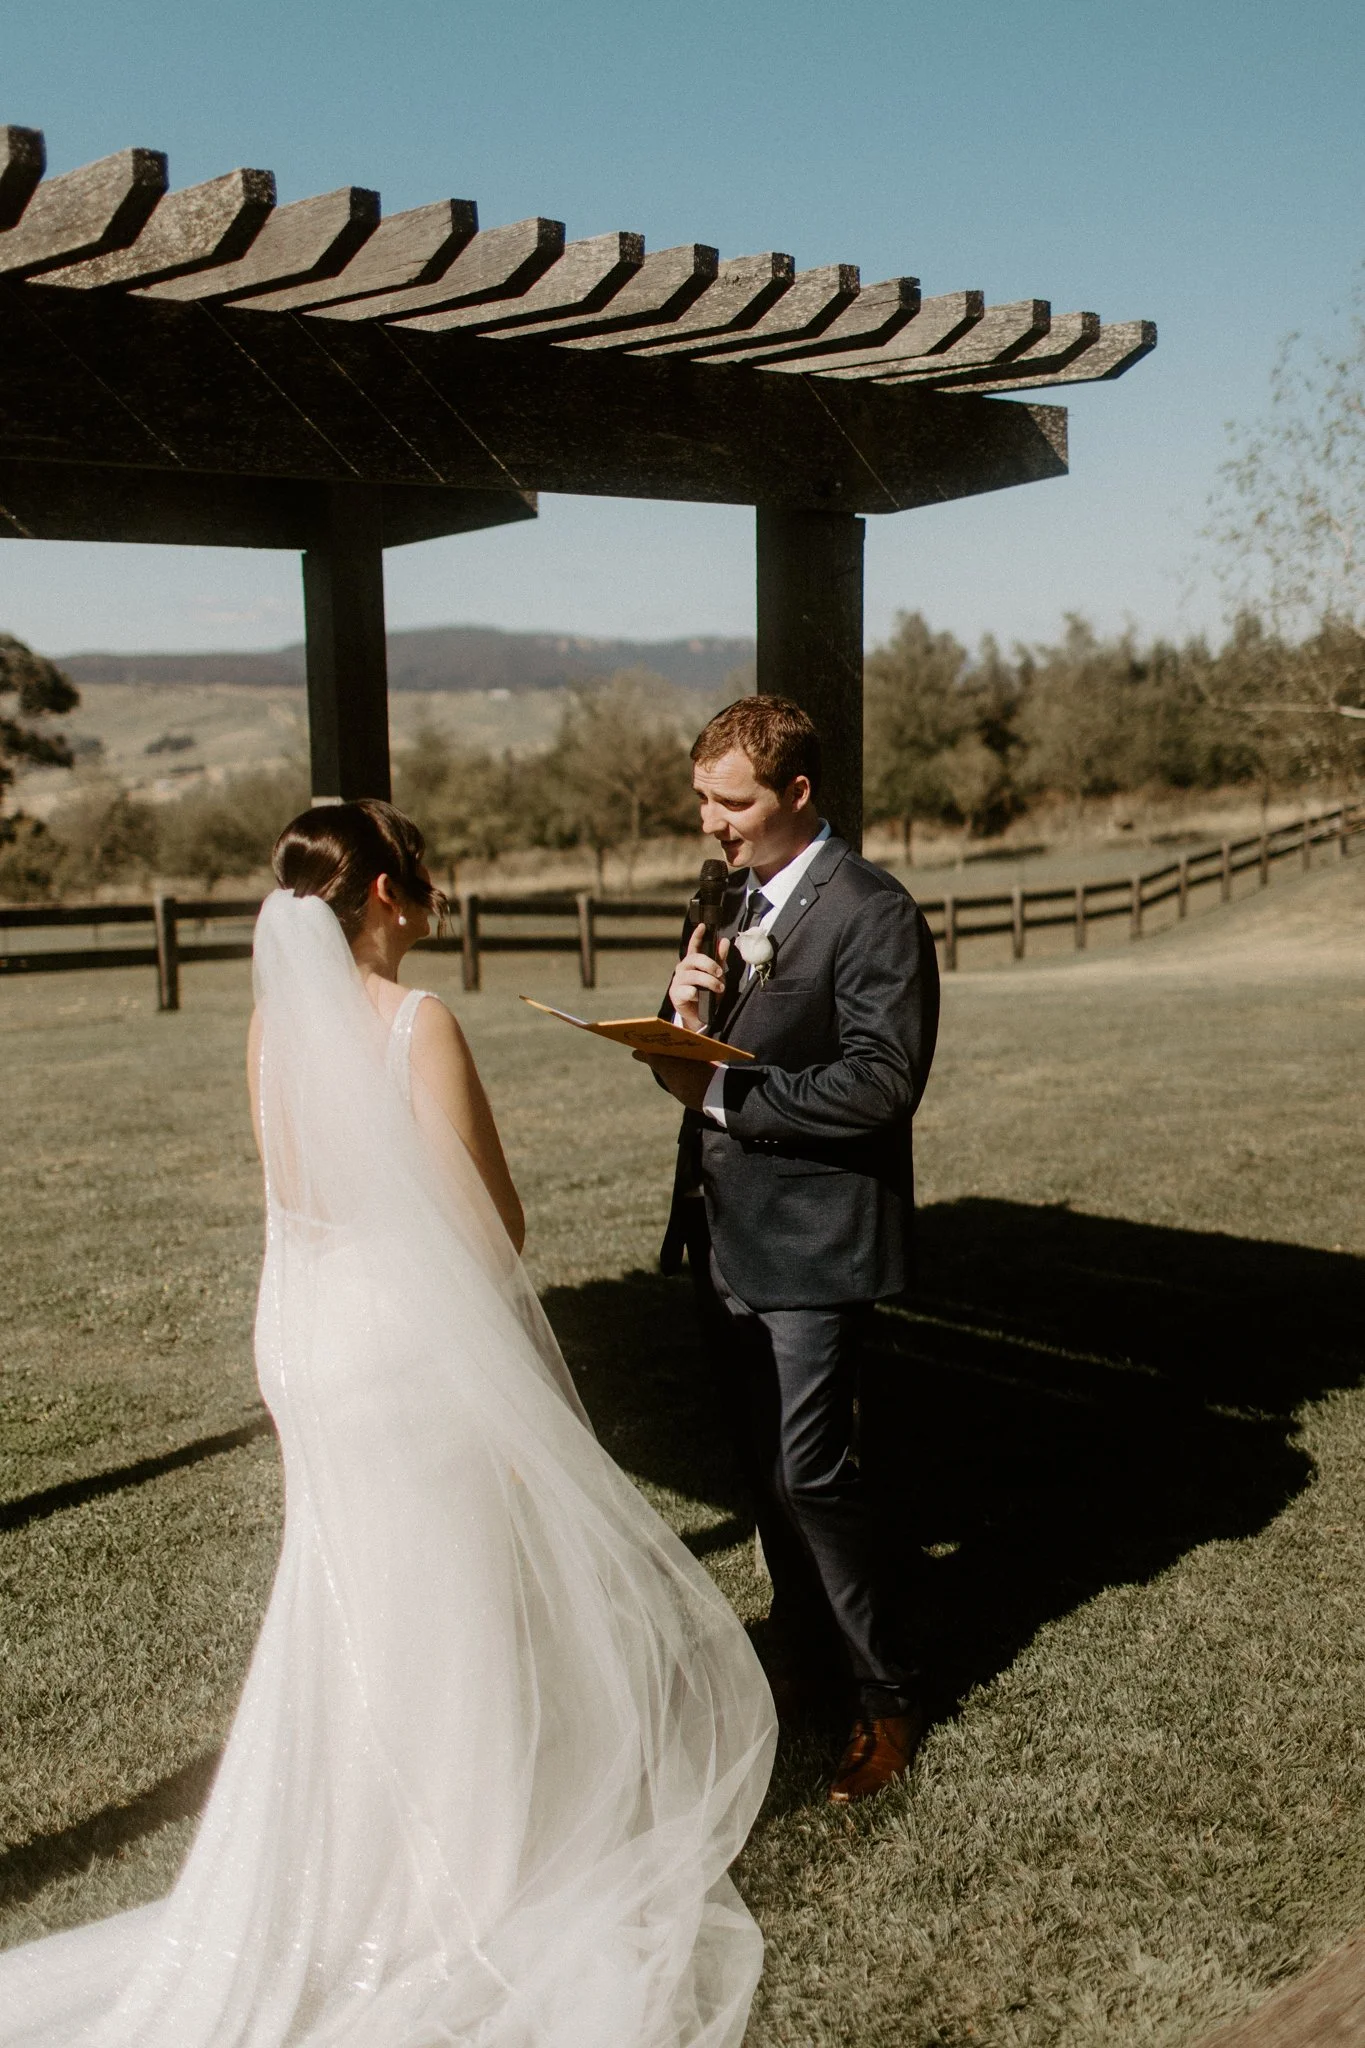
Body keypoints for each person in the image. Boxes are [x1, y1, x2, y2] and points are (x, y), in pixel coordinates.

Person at [0, 799, 775, 2048]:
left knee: (353, 1593)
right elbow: (492, 1228)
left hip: (306, 1338)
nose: (431, 897)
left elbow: (296, 1196)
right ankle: (460, 1880)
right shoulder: (420, 1021)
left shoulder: (272, 1030)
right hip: (400, 1348)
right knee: (450, 1593)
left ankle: (346, 1869)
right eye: (419, 879)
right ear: (380, 898)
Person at [640, 698, 939, 1806]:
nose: (712, 823)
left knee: (816, 1472)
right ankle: (807, 1655)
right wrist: (676, 1008)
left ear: (797, 793)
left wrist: (728, 1092)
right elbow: (693, 1052)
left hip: (816, 1244)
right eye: (704, 800)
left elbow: (880, 1081)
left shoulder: (872, 912)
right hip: (727, 1238)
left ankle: (886, 1693)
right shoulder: (724, 897)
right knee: (769, 1476)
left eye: (734, 801)